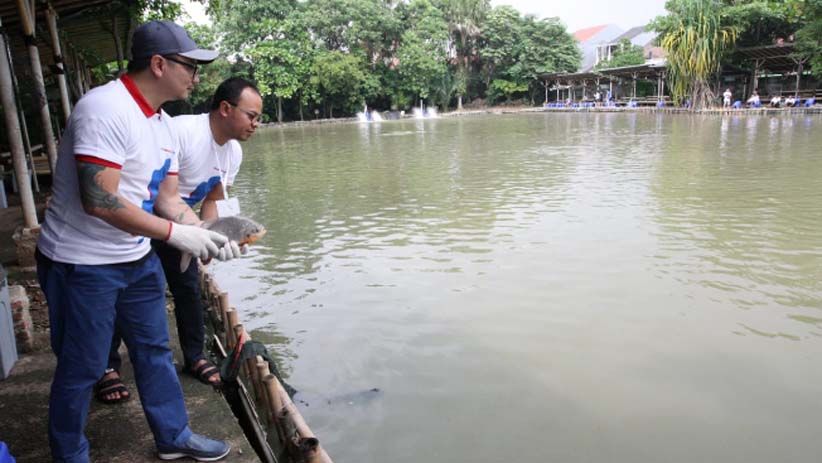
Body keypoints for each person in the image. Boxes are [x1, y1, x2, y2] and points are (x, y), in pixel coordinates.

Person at [35, 20, 242, 462]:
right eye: (190, 65)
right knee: (83, 365)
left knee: (154, 350)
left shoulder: (163, 125)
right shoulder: (104, 109)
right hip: (81, 262)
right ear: (158, 63)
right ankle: (70, 454)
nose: (196, 76)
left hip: (134, 256)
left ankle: (173, 436)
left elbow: (167, 199)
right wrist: (175, 233)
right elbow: (99, 200)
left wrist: (206, 234)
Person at [102, 77, 263, 395]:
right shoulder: (183, 132)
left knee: (188, 288)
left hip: (184, 225)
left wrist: (212, 239)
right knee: (128, 293)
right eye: (252, 115)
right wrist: (197, 232)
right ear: (226, 109)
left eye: (259, 117)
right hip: (142, 219)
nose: (256, 123)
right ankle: (107, 366)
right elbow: (162, 193)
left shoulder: (233, 153)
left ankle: (194, 356)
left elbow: (214, 199)